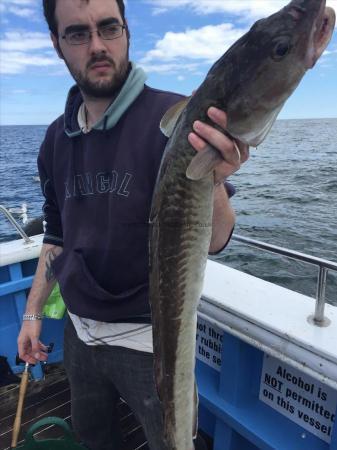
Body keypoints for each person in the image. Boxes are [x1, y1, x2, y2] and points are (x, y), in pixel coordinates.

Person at [17, 1, 249, 449]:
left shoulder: (176, 119)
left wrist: (215, 178)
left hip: (153, 343)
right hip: (79, 333)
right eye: (78, 34)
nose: (98, 45)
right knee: (94, 439)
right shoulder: (53, 139)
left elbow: (217, 240)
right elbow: (56, 237)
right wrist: (32, 314)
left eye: (109, 28)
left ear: (127, 31)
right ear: (56, 44)